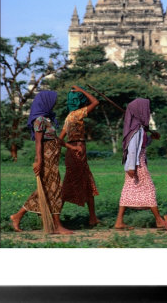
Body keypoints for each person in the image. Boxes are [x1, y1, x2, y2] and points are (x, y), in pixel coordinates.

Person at [10, 90, 81, 234]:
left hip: (53, 162)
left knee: (48, 190)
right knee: (55, 190)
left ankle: (18, 216)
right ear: (45, 102)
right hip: (47, 162)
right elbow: (38, 142)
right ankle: (56, 225)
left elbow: (55, 139)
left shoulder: (48, 119)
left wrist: (70, 147)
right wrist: (39, 161)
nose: (54, 103)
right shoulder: (40, 120)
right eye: (52, 101)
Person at [114, 98, 166, 230]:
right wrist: (132, 167)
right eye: (146, 110)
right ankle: (159, 220)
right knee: (150, 189)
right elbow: (132, 149)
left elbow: (141, 146)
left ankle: (119, 221)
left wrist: (150, 139)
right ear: (141, 112)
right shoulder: (136, 130)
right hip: (137, 165)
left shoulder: (140, 129)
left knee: (127, 190)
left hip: (137, 163)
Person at [59, 85, 100, 227]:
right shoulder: (78, 114)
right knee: (70, 184)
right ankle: (55, 219)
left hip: (73, 152)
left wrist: (70, 147)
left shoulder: (69, 117)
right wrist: (82, 90)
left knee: (86, 183)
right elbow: (95, 102)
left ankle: (93, 217)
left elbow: (59, 139)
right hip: (78, 151)